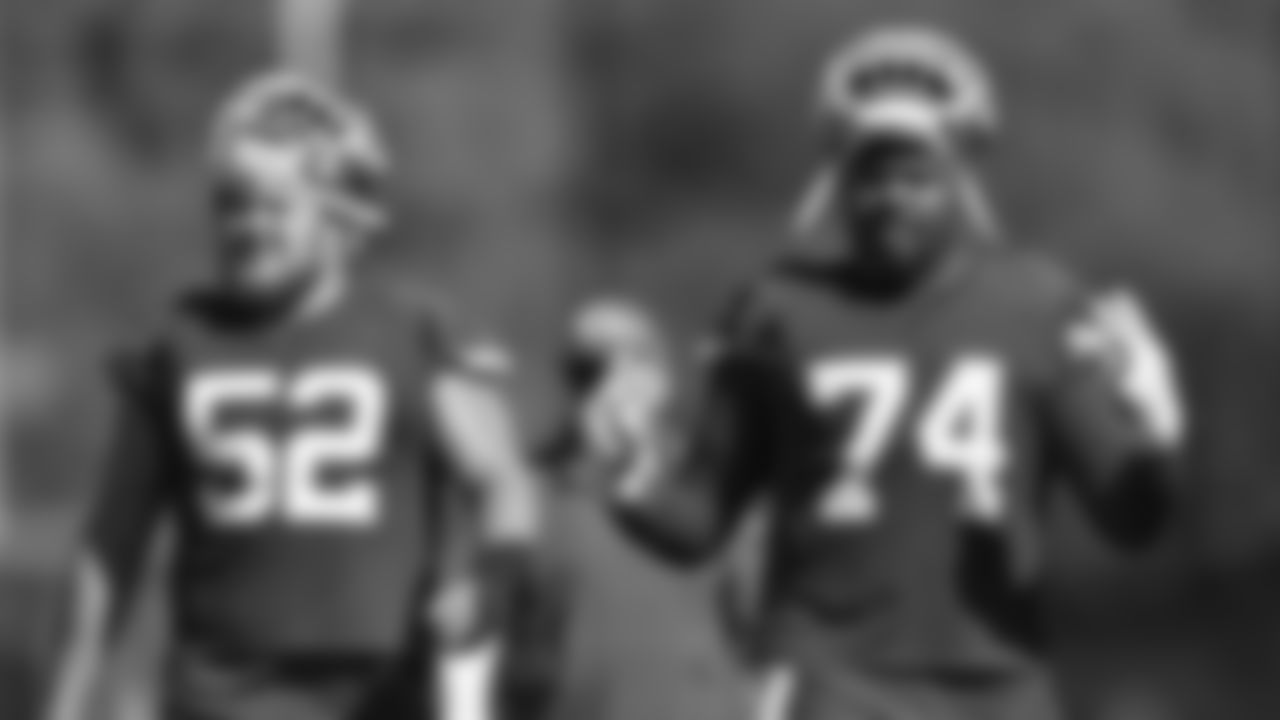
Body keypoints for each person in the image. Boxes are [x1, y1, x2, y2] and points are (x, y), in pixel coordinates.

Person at [611, 27, 1186, 720]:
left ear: (960, 182)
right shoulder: (778, 313)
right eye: (869, 177)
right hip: (833, 679)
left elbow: (1132, 519)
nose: (890, 198)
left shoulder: (1035, 307)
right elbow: (696, 520)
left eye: (916, 177)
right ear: (837, 187)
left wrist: (1156, 432)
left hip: (999, 686)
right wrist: (630, 471)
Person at [42, 72, 542, 720]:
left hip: (377, 699)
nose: (247, 226)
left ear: (334, 212)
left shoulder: (410, 332)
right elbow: (110, 549)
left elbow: (503, 481)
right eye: (230, 204)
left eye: (272, 206)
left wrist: (491, 583)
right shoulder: (178, 345)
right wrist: (65, 700)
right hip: (221, 699)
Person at [496, 298, 754, 720]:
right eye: (590, 370)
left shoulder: (711, 488)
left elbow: (760, 626)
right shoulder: (530, 490)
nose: (615, 384)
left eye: (636, 361)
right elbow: (477, 634)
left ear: (662, 379)